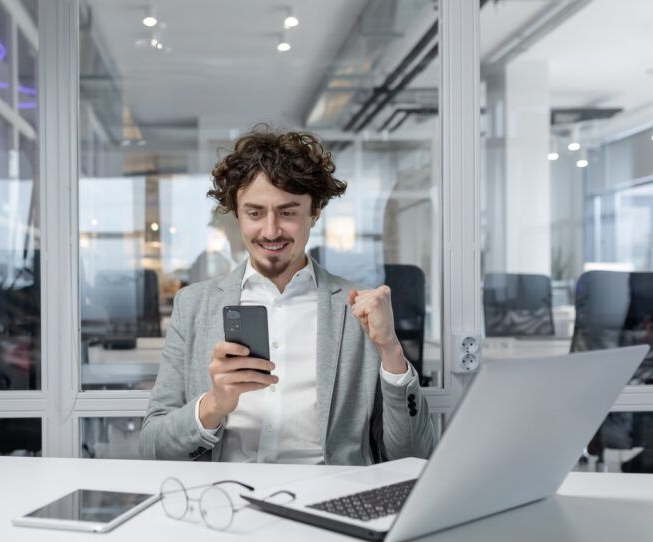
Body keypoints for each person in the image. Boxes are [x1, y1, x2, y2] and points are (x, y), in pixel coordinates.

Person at [139, 126, 436, 465]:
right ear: (236, 213)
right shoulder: (194, 306)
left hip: (330, 501)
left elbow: (413, 454)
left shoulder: (359, 308)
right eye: (254, 213)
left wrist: (391, 350)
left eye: (288, 212)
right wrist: (213, 404)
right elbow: (153, 447)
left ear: (315, 211)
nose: (270, 230)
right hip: (226, 501)